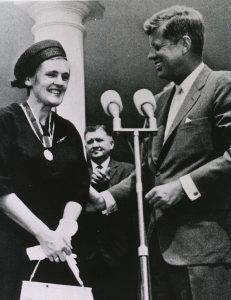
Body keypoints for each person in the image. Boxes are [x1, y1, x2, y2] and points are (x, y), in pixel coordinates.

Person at [87, 5, 231, 299]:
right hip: (156, 252)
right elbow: (148, 169)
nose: (150, 56)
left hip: (204, 256)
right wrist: (105, 199)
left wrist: (184, 186)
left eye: (157, 47)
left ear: (185, 44)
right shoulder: (158, 102)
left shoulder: (220, 85)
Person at [0, 40, 89, 299]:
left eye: (65, 77)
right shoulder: (6, 121)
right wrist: (43, 234)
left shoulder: (68, 130)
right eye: (51, 74)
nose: (60, 82)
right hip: (13, 245)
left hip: (59, 247)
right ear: (29, 79)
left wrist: (65, 227)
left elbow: (79, 187)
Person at [77, 125, 137, 300]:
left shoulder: (129, 170)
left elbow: (131, 204)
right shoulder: (79, 174)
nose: (94, 145)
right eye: (89, 142)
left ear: (111, 144)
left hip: (120, 252)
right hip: (87, 253)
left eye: (99, 140)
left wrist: (107, 188)